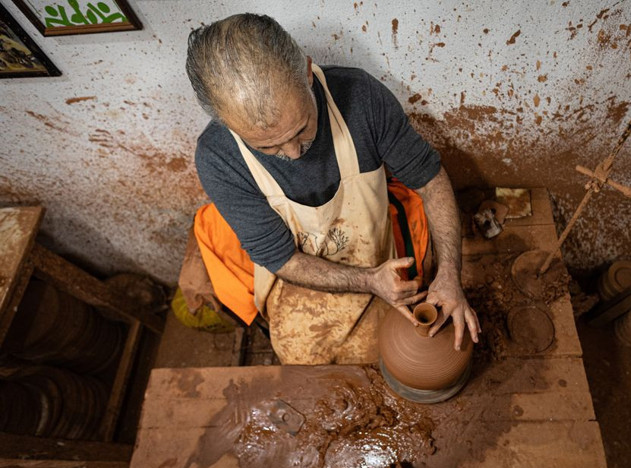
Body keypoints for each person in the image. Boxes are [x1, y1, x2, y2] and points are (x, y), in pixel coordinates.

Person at [186, 13, 479, 364]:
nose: (294, 153)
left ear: (307, 73)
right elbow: (280, 258)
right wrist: (368, 281)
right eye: (268, 147)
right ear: (226, 123)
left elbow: (429, 182)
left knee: (387, 355)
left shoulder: (360, 97)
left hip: (375, 252)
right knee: (299, 357)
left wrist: (449, 274)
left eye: (301, 129)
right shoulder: (218, 156)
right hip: (298, 271)